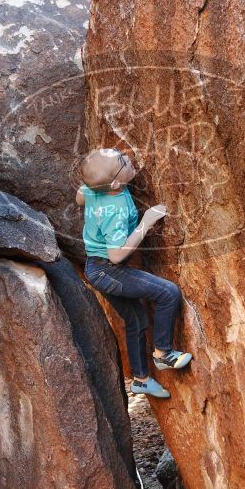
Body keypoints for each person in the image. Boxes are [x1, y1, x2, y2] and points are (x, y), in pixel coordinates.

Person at [76, 148, 193, 398]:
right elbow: (116, 255)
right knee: (168, 293)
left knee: (136, 320)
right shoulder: (115, 211)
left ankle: (141, 379)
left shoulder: (95, 189)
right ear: (116, 182)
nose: (128, 158)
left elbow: (79, 197)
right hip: (107, 269)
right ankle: (164, 353)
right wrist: (146, 222)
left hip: (97, 268)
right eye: (122, 162)